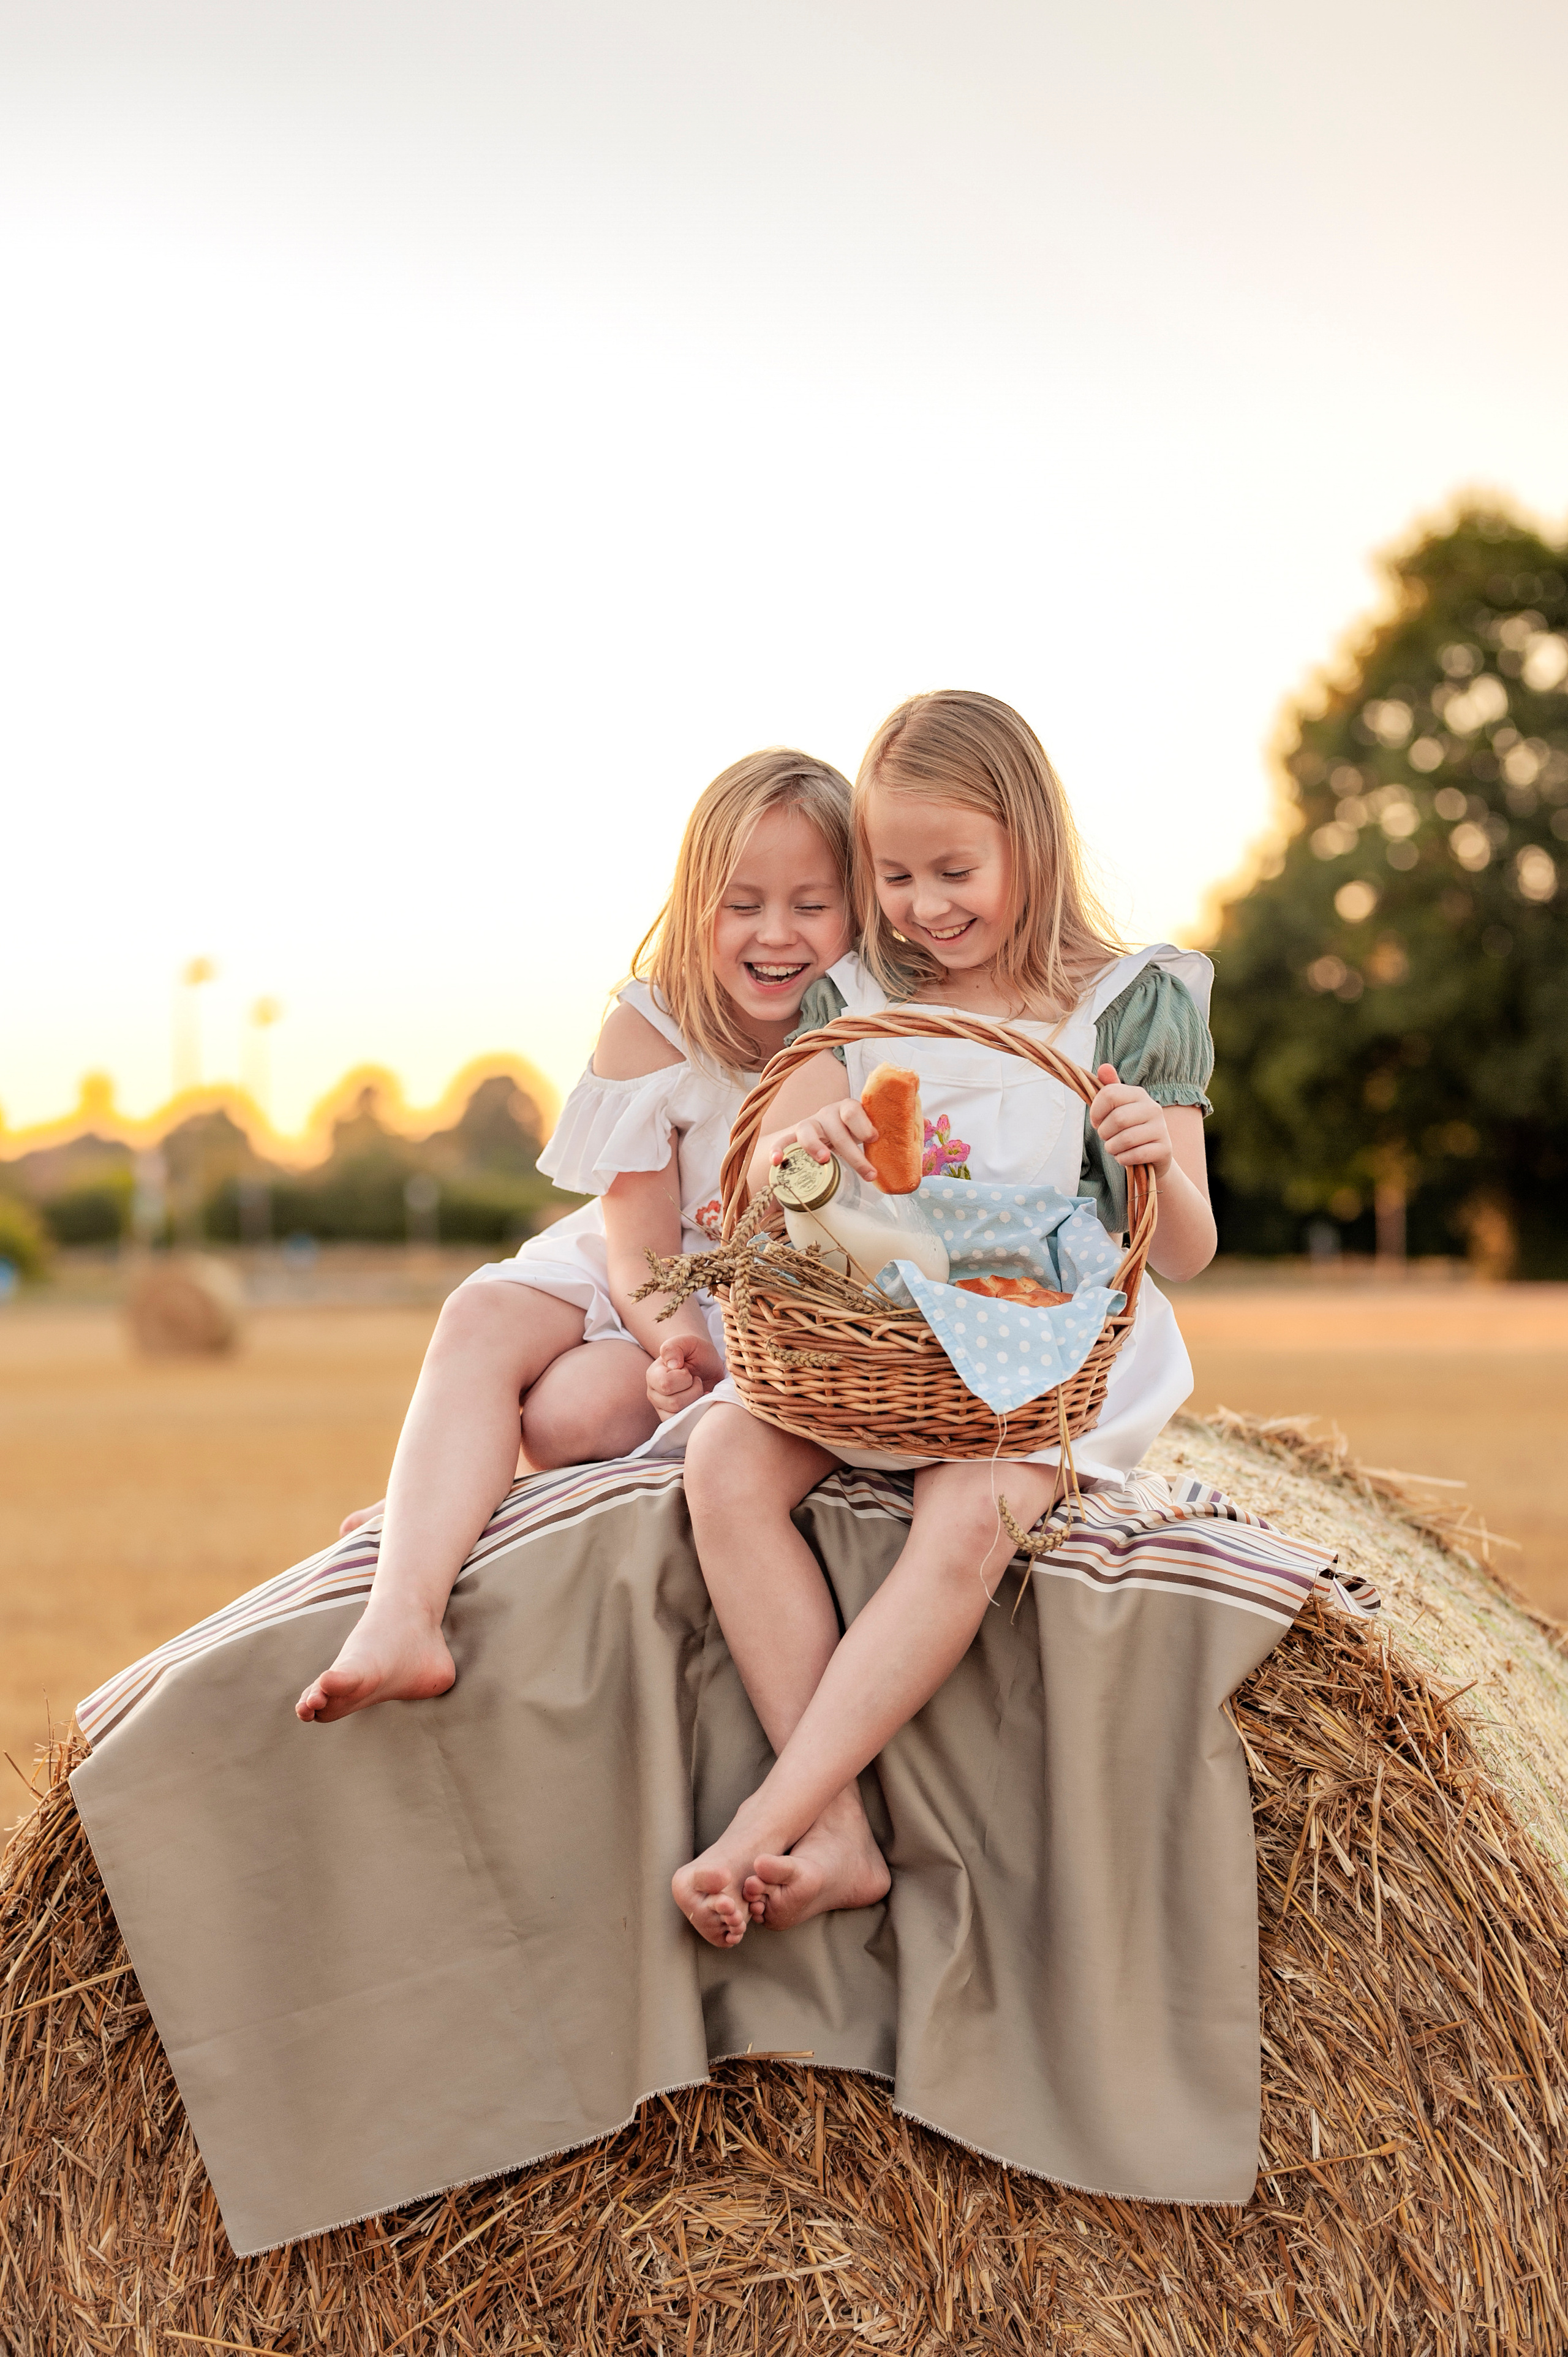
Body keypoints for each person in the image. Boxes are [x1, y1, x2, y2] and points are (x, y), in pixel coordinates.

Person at [673, 690, 1218, 1946]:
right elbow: (760, 1184)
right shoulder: (856, 995)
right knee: (723, 1455)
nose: (923, 907)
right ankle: (845, 1837)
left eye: (954, 869)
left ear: (1030, 837)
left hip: (1045, 1337)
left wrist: (1152, 1161)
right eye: (894, 873)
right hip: (887, 1324)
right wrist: (798, 1145)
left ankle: (770, 1816)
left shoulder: (1131, 1003)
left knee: (970, 1507)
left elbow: (1181, 1252)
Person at [296, 749, 854, 1724]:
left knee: (572, 1423)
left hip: (774, 1304)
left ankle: (441, 1510)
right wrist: (672, 1338)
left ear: (860, 908)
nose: (775, 935)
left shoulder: (873, 1025)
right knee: (479, 1313)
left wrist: (693, 1357)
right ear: (695, 907)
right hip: (650, 1275)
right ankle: (403, 1610)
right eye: (741, 904)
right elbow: (635, 1239)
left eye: (812, 904)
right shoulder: (652, 1024)